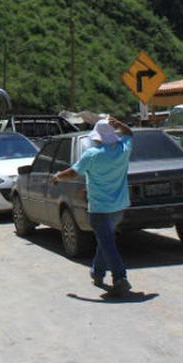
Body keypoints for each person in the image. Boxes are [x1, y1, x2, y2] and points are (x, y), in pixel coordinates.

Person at [52, 116, 133, 297]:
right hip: (119, 207)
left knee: (107, 242)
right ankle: (97, 272)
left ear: (98, 137)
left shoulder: (92, 154)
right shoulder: (123, 149)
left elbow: (73, 172)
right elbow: (129, 134)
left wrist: (58, 176)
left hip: (99, 208)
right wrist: (120, 125)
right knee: (105, 241)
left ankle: (120, 278)